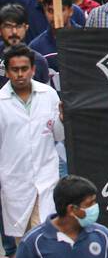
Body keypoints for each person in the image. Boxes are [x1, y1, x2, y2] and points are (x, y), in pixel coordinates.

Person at [0, 46, 63, 243]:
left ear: (33, 69)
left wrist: (62, 118)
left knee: (45, 239)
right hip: (15, 181)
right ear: (7, 72)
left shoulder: (49, 95)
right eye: (15, 69)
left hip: (46, 178)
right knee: (26, 244)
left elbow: (59, 135)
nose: (20, 74)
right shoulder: (1, 102)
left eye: (24, 68)